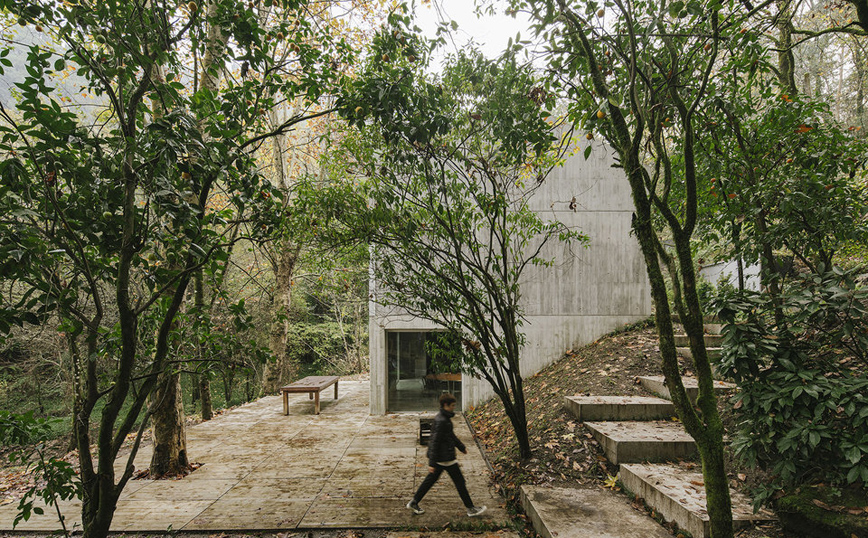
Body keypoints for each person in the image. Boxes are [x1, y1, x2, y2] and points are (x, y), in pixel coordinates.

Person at [406, 393, 487, 517]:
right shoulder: (442, 421)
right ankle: (470, 508)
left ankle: (414, 502)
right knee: (460, 482)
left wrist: (461, 447)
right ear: (445, 405)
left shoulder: (444, 418)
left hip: (443, 458)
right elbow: (434, 441)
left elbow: (450, 435)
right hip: (445, 458)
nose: (454, 407)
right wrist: (432, 463)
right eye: (452, 405)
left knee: (430, 481)